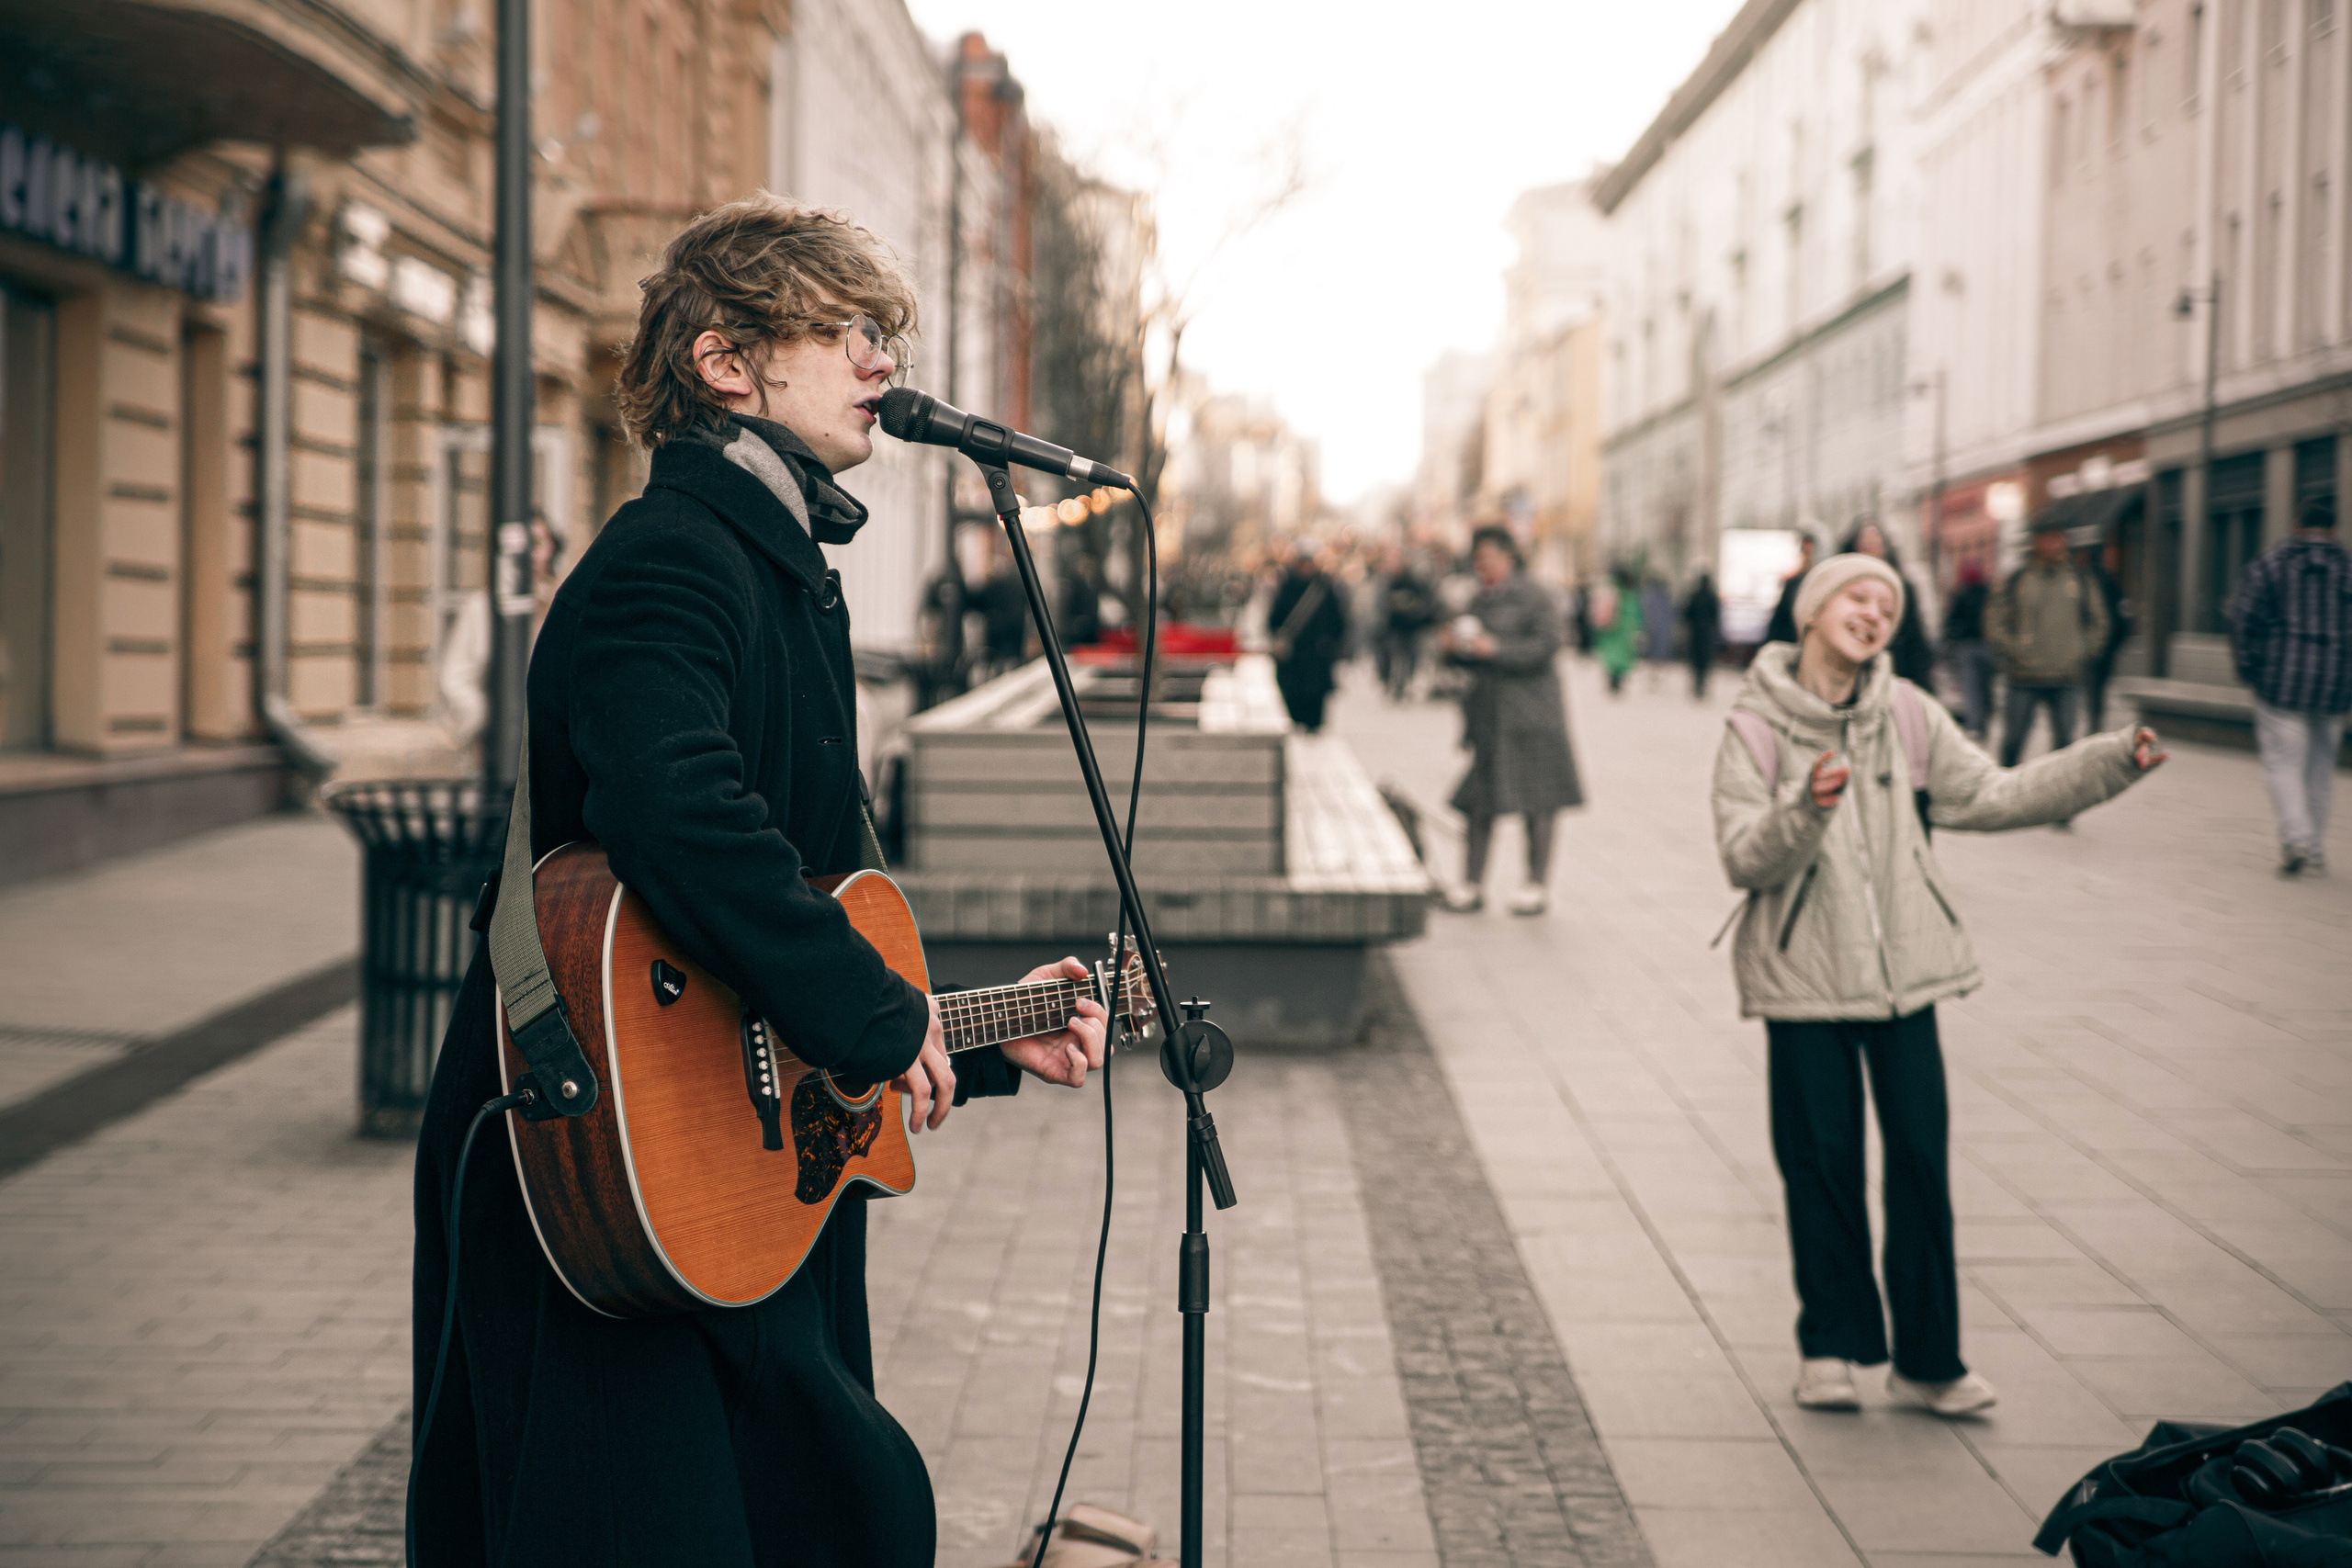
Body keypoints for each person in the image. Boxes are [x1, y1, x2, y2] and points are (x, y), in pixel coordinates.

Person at [408, 196, 1112, 1568]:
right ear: (728, 363)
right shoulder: (672, 555)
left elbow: (786, 896)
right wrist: (877, 1013)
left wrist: (967, 1022)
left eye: (888, 336)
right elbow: (687, 826)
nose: (883, 366)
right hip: (606, 1152)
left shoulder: (780, 567)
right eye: (851, 331)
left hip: (719, 1168)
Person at [1713, 553, 2165, 1420]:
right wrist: (1803, 806)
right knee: (1823, 1164)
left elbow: (1994, 793)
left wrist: (2111, 761)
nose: (1873, 612)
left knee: (1920, 1162)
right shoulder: (1756, 726)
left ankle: (1927, 1360)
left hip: (1904, 974)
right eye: (1856, 596)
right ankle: (1831, 1347)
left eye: (1887, 602)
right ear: (1811, 613)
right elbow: (1741, 854)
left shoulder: (1909, 714)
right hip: (1804, 977)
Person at [1440, 525, 1583, 915]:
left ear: (1507, 557)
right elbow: (1467, 656)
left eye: (1487, 558)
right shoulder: (1477, 601)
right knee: (1478, 805)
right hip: (1488, 717)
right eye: (1477, 560)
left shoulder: (1535, 595)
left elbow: (1547, 645)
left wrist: (1496, 648)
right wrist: (1453, 649)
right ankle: (1471, 884)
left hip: (1532, 714)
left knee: (1539, 803)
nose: (1481, 566)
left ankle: (1535, 885)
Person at [2230, 492, 2352, 875]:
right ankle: (2314, 848)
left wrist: (2250, 668)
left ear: (2297, 526)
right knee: (2320, 769)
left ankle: (2296, 838)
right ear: (2333, 529)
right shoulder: (2348, 569)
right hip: (2335, 686)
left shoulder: (2271, 565)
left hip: (2282, 681)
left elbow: (2241, 616)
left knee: (2284, 764)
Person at [1989, 517, 2109, 779]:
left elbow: (2099, 621)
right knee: (2013, 741)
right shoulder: (2018, 579)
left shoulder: (2079, 579)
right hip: (2024, 676)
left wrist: (2082, 652)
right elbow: (1995, 621)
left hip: (2067, 676)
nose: (2055, 544)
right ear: (2036, 542)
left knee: (2066, 743)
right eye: (2048, 538)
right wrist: (2015, 650)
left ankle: (2061, 803)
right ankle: (2003, 793)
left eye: (2059, 538)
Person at [1840, 519, 1935, 689]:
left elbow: (1914, 636)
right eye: (1866, 544)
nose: (1872, 549)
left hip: (1895, 667)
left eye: (1876, 543)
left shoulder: (1901, 587)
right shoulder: (1841, 585)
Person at [1269, 547, 1348, 733]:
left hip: (1318, 650)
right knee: (1294, 688)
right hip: (1294, 651)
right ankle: (1297, 719)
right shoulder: (1287, 587)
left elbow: (1338, 619)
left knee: (1316, 690)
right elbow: (1275, 618)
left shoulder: (1323, 589)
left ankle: (1314, 722)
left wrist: (1332, 642)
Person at [2082, 538, 2132, 731]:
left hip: (2097, 647)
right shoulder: (2110, 583)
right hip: (2107, 647)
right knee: (2098, 687)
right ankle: (2095, 721)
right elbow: (2124, 615)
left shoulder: (2085, 583)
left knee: (2093, 687)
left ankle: (2094, 721)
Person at [1941, 560, 1996, 741]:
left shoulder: (1987, 593)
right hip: (1967, 647)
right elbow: (1951, 621)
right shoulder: (1961, 594)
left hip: (1985, 646)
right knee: (1971, 687)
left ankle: (1982, 721)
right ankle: (1975, 724)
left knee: (1984, 688)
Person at [1377, 550, 1437, 701]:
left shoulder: (1416, 582)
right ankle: (1397, 685)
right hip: (1396, 627)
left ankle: (1404, 685)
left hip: (1412, 627)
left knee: (1410, 657)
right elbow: (1384, 604)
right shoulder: (1391, 581)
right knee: (1397, 657)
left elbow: (1425, 604)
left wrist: (1411, 606)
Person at [1592, 566, 1643, 695]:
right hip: (1624, 631)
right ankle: (1617, 681)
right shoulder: (1630, 594)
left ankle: (1613, 680)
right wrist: (1637, 627)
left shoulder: (1609, 590)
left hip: (1610, 629)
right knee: (1621, 657)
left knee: (1611, 657)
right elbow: (1636, 613)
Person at [1762, 534, 1818, 648]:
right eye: (1805, 551)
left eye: (1810, 552)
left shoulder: (1818, 581)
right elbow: (1780, 618)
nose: (1807, 556)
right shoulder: (1792, 582)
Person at [1683, 570, 1723, 699]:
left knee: (1696, 661)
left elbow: (1687, 614)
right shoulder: (1711, 596)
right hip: (1707, 634)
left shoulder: (1694, 595)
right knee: (1704, 662)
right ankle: (1701, 686)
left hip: (1695, 633)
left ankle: (1697, 686)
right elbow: (1716, 616)